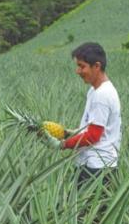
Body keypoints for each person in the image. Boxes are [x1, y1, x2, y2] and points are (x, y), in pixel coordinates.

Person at [47, 42, 122, 185]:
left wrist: (63, 145)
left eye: (82, 66)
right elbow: (93, 127)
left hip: (97, 168)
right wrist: (68, 132)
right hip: (94, 164)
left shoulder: (102, 95)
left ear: (97, 66)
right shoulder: (95, 90)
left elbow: (93, 135)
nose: (78, 71)